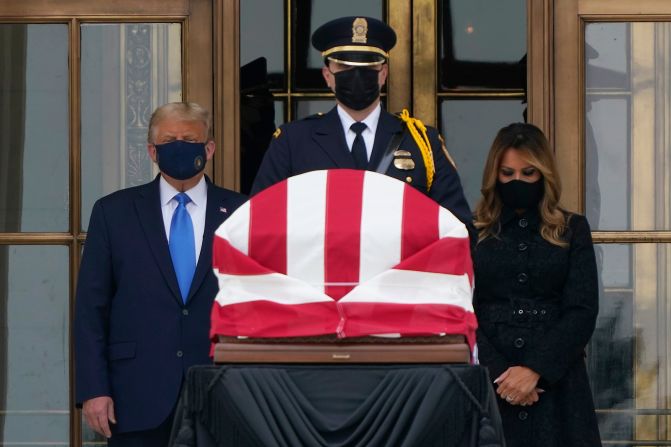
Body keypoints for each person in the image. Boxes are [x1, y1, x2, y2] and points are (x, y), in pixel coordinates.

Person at [74, 102, 247, 445]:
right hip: (134, 396)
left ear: (209, 148)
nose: (179, 146)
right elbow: (91, 309)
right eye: (169, 141)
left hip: (223, 393)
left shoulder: (242, 212)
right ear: (152, 151)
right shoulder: (114, 212)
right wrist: (94, 390)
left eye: (190, 138)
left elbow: (260, 302)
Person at [251, 16, 471, 226]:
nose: (356, 75)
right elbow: (260, 221)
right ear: (328, 76)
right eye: (345, 67)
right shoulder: (293, 141)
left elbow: (457, 227)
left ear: (383, 74)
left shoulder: (423, 143)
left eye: (367, 68)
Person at [472, 122, 601, 446]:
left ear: (544, 175)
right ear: (494, 175)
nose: (519, 181)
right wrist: (501, 374)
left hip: (559, 385)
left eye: (529, 173)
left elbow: (582, 309)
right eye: (508, 173)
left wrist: (534, 369)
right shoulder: (472, 231)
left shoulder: (572, 229)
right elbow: (462, 308)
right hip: (489, 383)